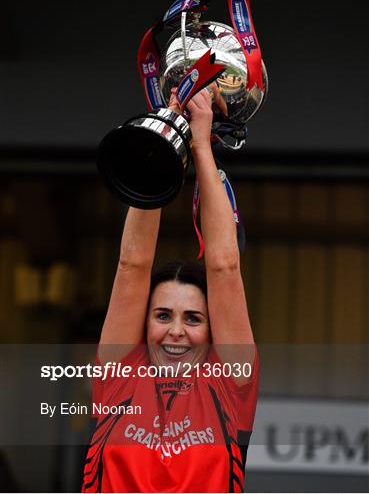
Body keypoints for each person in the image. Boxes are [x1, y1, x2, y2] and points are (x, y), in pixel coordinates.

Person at [81, 89, 259, 493]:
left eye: (193, 318)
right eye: (163, 315)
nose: (176, 330)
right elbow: (132, 265)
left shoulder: (228, 386)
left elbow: (224, 267)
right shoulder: (120, 377)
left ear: (214, 332)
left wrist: (199, 143)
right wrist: (165, 139)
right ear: (143, 324)